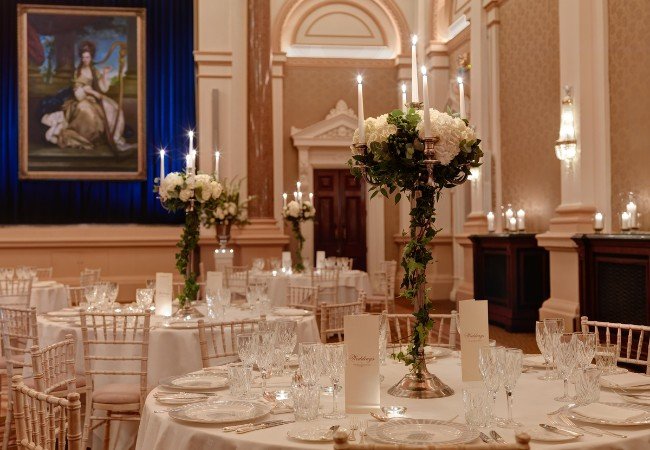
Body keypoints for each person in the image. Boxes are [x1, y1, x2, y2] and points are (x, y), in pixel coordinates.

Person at [41, 40, 135, 152]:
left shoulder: (94, 70)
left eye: (88, 57)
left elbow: (102, 88)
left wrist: (104, 74)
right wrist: (89, 92)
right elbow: (78, 92)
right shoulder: (78, 72)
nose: (85, 60)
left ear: (91, 57)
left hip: (94, 98)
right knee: (86, 110)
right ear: (81, 58)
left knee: (115, 108)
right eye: (83, 57)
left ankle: (116, 139)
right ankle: (95, 138)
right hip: (80, 99)